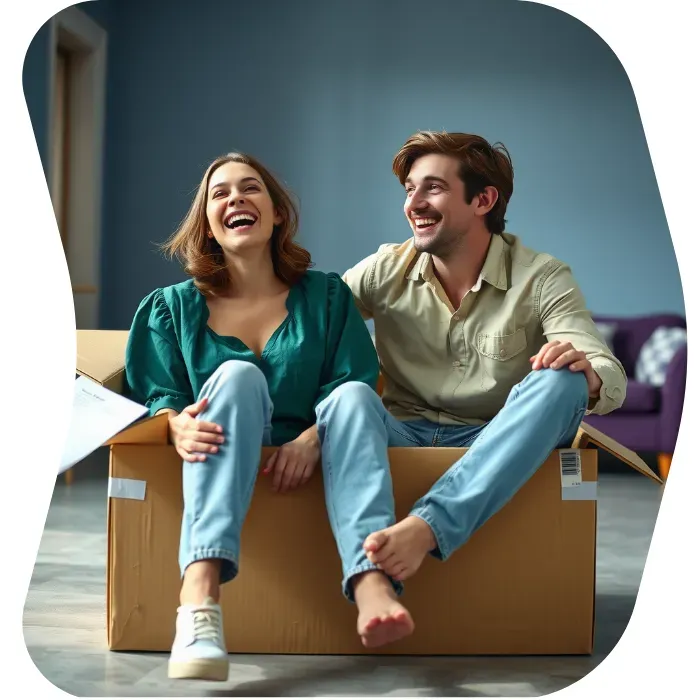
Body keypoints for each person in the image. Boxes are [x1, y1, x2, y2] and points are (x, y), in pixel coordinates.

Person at [321, 130, 628, 644]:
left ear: (483, 200)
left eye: (433, 188)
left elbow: (605, 370)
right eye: (409, 189)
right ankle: (372, 582)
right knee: (347, 398)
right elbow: (310, 328)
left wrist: (586, 368)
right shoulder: (384, 269)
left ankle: (426, 528)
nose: (413, 203)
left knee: (563, 381)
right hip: (402, 433)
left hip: (493, 442)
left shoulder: (543, 276)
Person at [123, 152, 412, 682]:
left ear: (277, 213)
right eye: (220, 193)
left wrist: (311, 438)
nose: (235, 198)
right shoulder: (169, 308)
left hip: (320, 453)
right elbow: (155, 394)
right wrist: (173, 423)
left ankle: (370, 583)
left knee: (352, 400)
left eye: (250, 188)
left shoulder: (327, 297)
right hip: (221, 451)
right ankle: (200, 598)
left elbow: (354, 384)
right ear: (208, 224)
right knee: (236, 377)